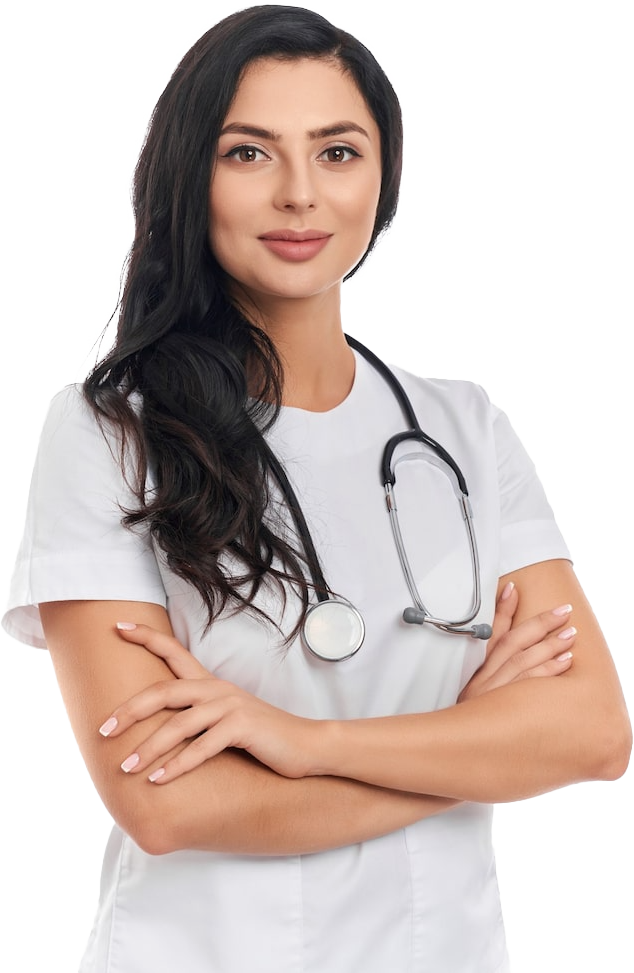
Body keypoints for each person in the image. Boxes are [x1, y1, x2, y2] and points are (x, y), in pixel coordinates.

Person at [2, 5, 631, 972]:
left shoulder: (463, 428)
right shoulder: (109, 433)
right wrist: (476, 750)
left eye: (338, 153)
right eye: (249, 154)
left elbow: (590, 732)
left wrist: (298, 742)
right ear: (186, 178)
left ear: (383, 180)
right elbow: (166, 803)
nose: (301, 195)